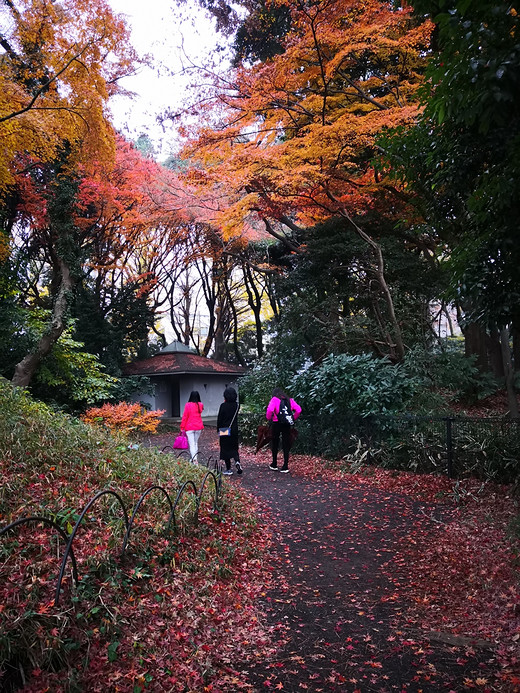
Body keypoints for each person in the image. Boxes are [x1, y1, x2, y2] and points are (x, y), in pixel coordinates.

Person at [266, 387, 302, 473]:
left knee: (275, 442)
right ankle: (285, 465)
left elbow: (270, 410)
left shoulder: (274, 399)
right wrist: (293, 418)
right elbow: (299, 410)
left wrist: (269, 418)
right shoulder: (289, 400)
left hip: (276, 424)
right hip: (286, 424)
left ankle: (274, 464)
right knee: (286, 443)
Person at [217, 386, 242, 476]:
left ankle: (228, 469)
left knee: (225, 448)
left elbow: (220, 419)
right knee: (234, 447)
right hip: (234, 429)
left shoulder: (223, 406)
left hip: (224, 429)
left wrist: (218, 430)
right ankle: (237, 461)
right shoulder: (237, 405)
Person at [180, 390, 204, 463]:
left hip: (189, 427)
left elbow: (185, 416)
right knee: (195, 443)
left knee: (192, 444)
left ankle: (194, 460)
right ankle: (194, 458)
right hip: (198, 426)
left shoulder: (188, 405)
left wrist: (182, 427)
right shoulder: (200, 405)